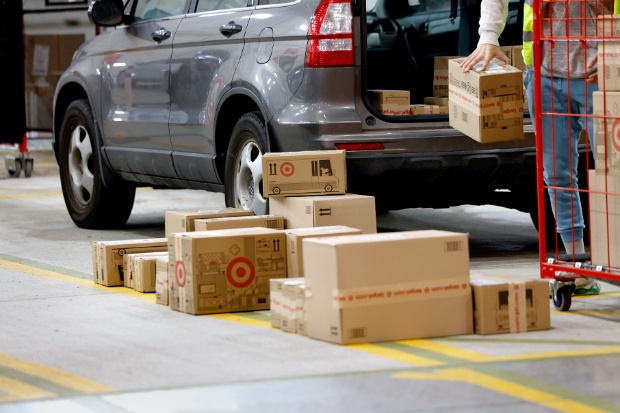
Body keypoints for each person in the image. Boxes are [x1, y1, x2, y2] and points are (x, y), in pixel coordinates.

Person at [460, 0, 611, 295]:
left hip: (599, 75)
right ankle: (575, 265)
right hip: (545, 77)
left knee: (612, 175)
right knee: (557, 175)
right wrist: (488, 35)